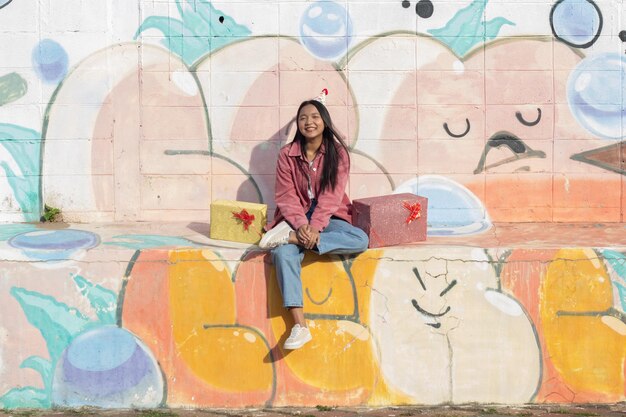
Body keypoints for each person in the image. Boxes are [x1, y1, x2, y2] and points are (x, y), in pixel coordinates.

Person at [259, 92, 369, 350]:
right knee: (283, 254)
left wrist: (314, 231)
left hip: (328, 217)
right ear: (298, 124)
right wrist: (300, 226)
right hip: (295, 220)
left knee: (360, 239)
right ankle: (300, 326)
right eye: (303, 118)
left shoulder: (337, 154)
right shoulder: (287, 155)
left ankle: (300, 241)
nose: (309, 122)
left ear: (325, 121)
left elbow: (331, 197)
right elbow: (285, 196)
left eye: (315, 116)